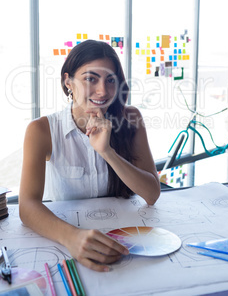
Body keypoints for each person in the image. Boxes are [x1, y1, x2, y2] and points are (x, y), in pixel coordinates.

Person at [19, 39, 160, 272]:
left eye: (110, 80)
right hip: (67, 242)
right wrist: (72, 238)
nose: (103, 91)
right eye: (90, 78)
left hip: (126, 242)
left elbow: (152, 194)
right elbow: (27, 205)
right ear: (68, 83)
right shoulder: (42, 130)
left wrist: (107, 152)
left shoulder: (131, 118)